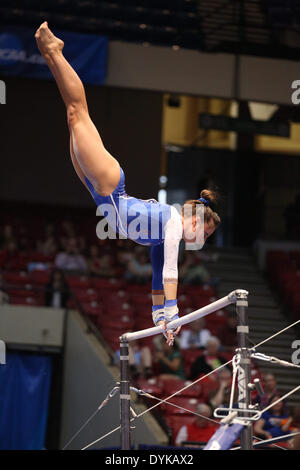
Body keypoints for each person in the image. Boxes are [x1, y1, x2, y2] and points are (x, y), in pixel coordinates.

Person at [35, 22, 221, 345]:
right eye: (204, 233)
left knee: (73, 114)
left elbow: (156, 276)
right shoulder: (175, 222)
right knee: (78, 112)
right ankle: (54, 51)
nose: (200, 240)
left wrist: (160, 317)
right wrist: (174, 312)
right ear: (195, 218)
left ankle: (51, 57)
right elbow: (171, 274)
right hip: (111, 188)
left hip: (100, 195)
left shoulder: (163, 240)